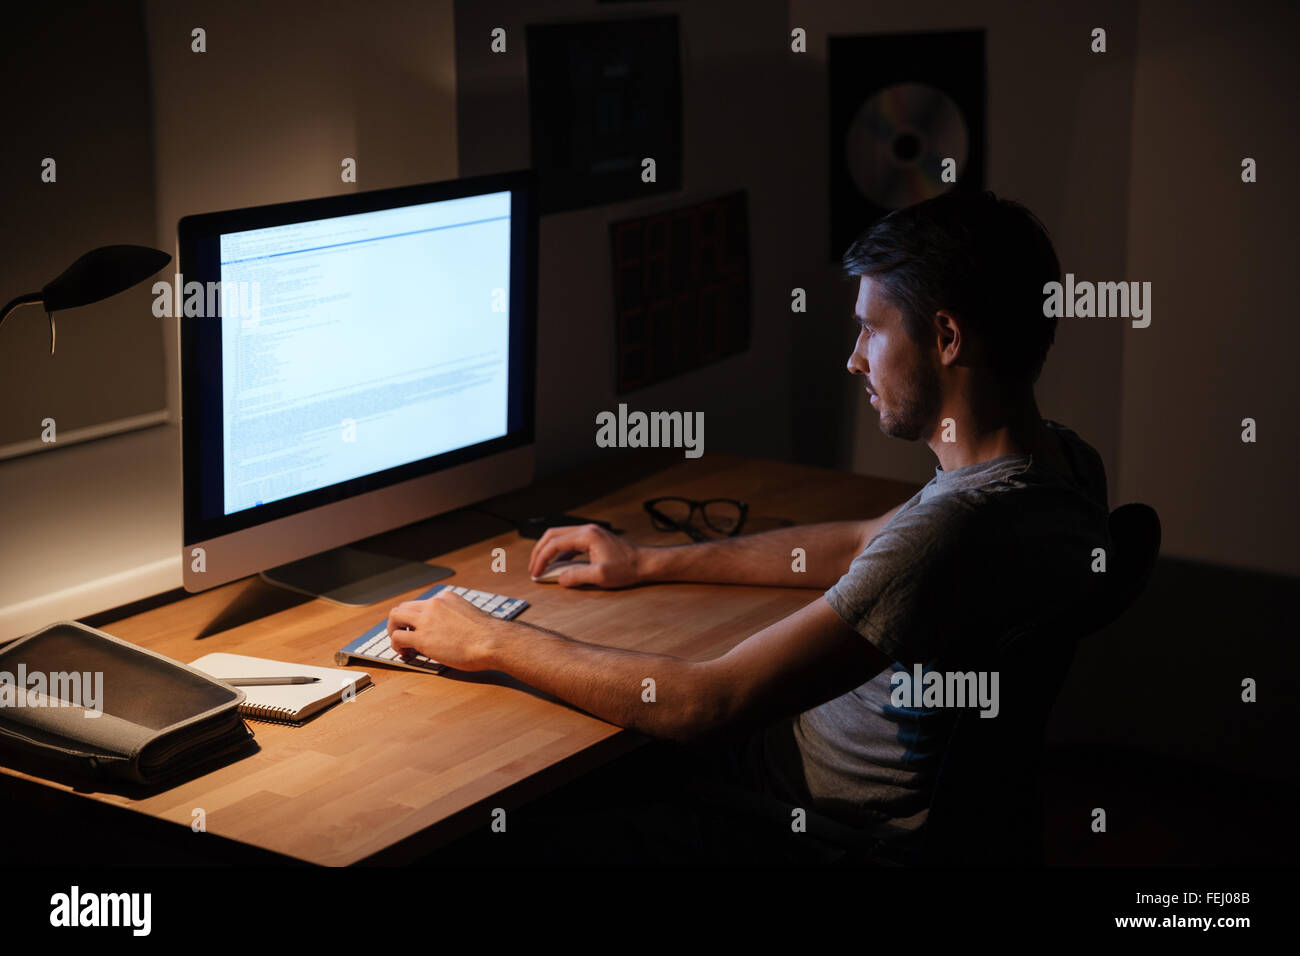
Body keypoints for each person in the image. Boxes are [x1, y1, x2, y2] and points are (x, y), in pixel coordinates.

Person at [391, 190, 1111, 863]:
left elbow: (710, 702)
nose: (854, 358)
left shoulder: (951, 532)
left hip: (795, 823)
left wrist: (492, 638)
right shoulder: (1064, 467)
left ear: (947, 336)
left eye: (870, 328)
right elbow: (863, 541)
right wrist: (645, 563)